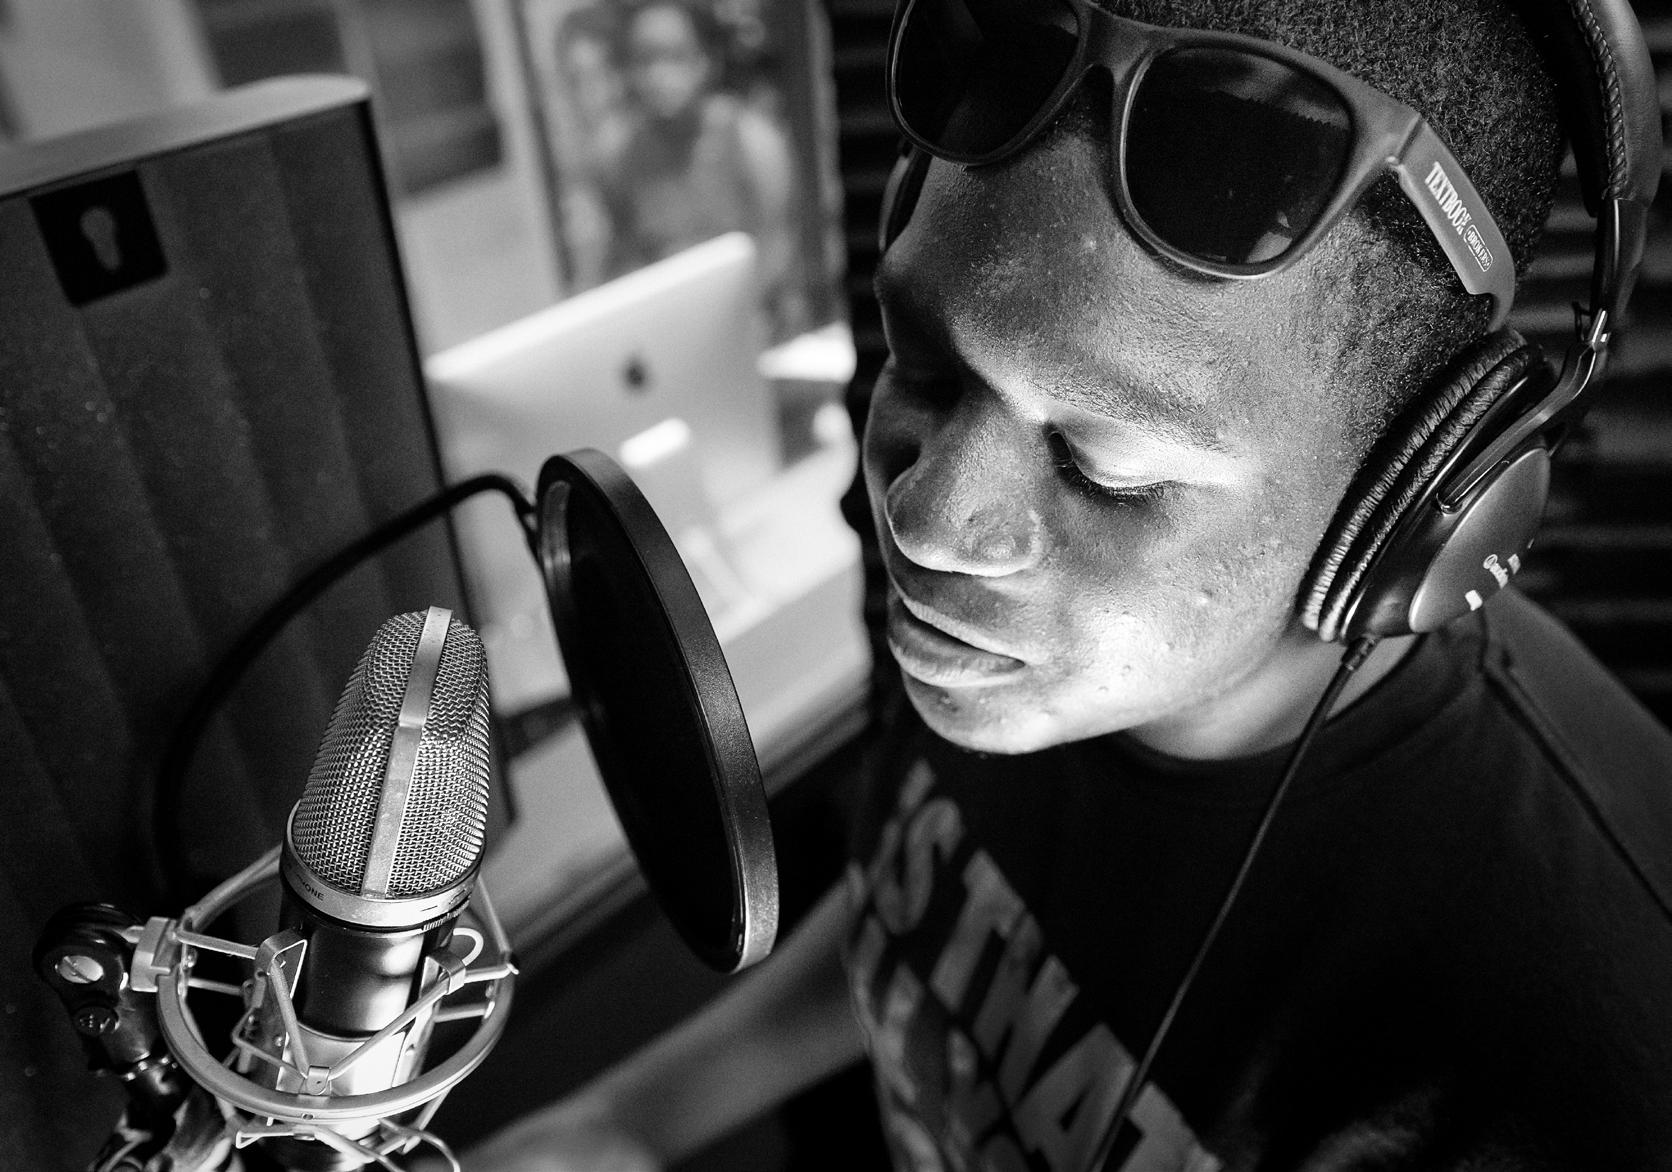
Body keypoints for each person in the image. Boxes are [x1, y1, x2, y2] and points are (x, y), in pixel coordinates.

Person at [446, 0, 1672, 1167]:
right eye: (923, 364)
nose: (925, 519)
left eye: (1102, 466)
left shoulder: (1573, 1076)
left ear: (1418, 503)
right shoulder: (1031, 660)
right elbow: (940, 906)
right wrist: (629, 1119)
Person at [591, 0, 810, 339]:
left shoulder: (753, 140)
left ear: (705, 61)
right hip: (667, 333)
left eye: (675, 56)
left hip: (757, 325)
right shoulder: (619, 158)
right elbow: (624, 256)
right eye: (645, 59)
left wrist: (727, 321)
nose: (659, 74)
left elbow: (780, 245)